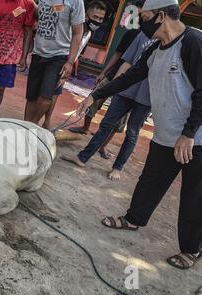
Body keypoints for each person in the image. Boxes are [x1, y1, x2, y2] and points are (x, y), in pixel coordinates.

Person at [76, 0, 202, 269]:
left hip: (198, 136)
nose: (141, 22)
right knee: (150, 180)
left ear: (160, 16)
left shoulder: (192, 41)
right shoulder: (156, 49)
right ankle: (134, 219)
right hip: (167, 131)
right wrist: (96, 95)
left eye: (144, 17)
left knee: (196, 193)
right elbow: (132, 75)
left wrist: (190, 131)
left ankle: (191, 249)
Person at [62, 30, 155, 182]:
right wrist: (114, 85)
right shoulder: (142, 35)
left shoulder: (169, 44)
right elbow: (127, 62)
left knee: (132, 132)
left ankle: (117, 167)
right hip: (125, 90)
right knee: (106, 124)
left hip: (146, 97)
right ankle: (82, 158)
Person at [69, 0, 145, 160]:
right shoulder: (132, 33)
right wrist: (103, 73)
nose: (139, 17)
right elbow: (117, 55)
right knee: (93, 101)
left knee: (118, 120)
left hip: (130, 84)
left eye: (141, 14)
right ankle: (85, 127)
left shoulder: (155, 40)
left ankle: (102, 146)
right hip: (113, 76)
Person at [42, 0, 107, 130]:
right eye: (95, 17)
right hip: (55, 61)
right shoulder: (74, 26)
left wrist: (69, 67)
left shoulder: (88, 32)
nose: (98, 21)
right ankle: (36, 122)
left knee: (55, 93)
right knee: (45, 96)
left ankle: (46, 122)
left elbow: (77, 50)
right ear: (86, 15)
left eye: (101, 18)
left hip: (66, 65)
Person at [24, 0, 85, 125]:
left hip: (58, 56)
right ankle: (25, 126)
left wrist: (70, 62)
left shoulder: (76, 2)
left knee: (46, 97)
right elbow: (38, 15)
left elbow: (78, 33)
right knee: (31, 97)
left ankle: (32, 125)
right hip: (38, 53)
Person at [0, 0, 36, 117]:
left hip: (11, 56)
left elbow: (28, 31)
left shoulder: (28, 4)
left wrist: (23, 56)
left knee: (1, 88)